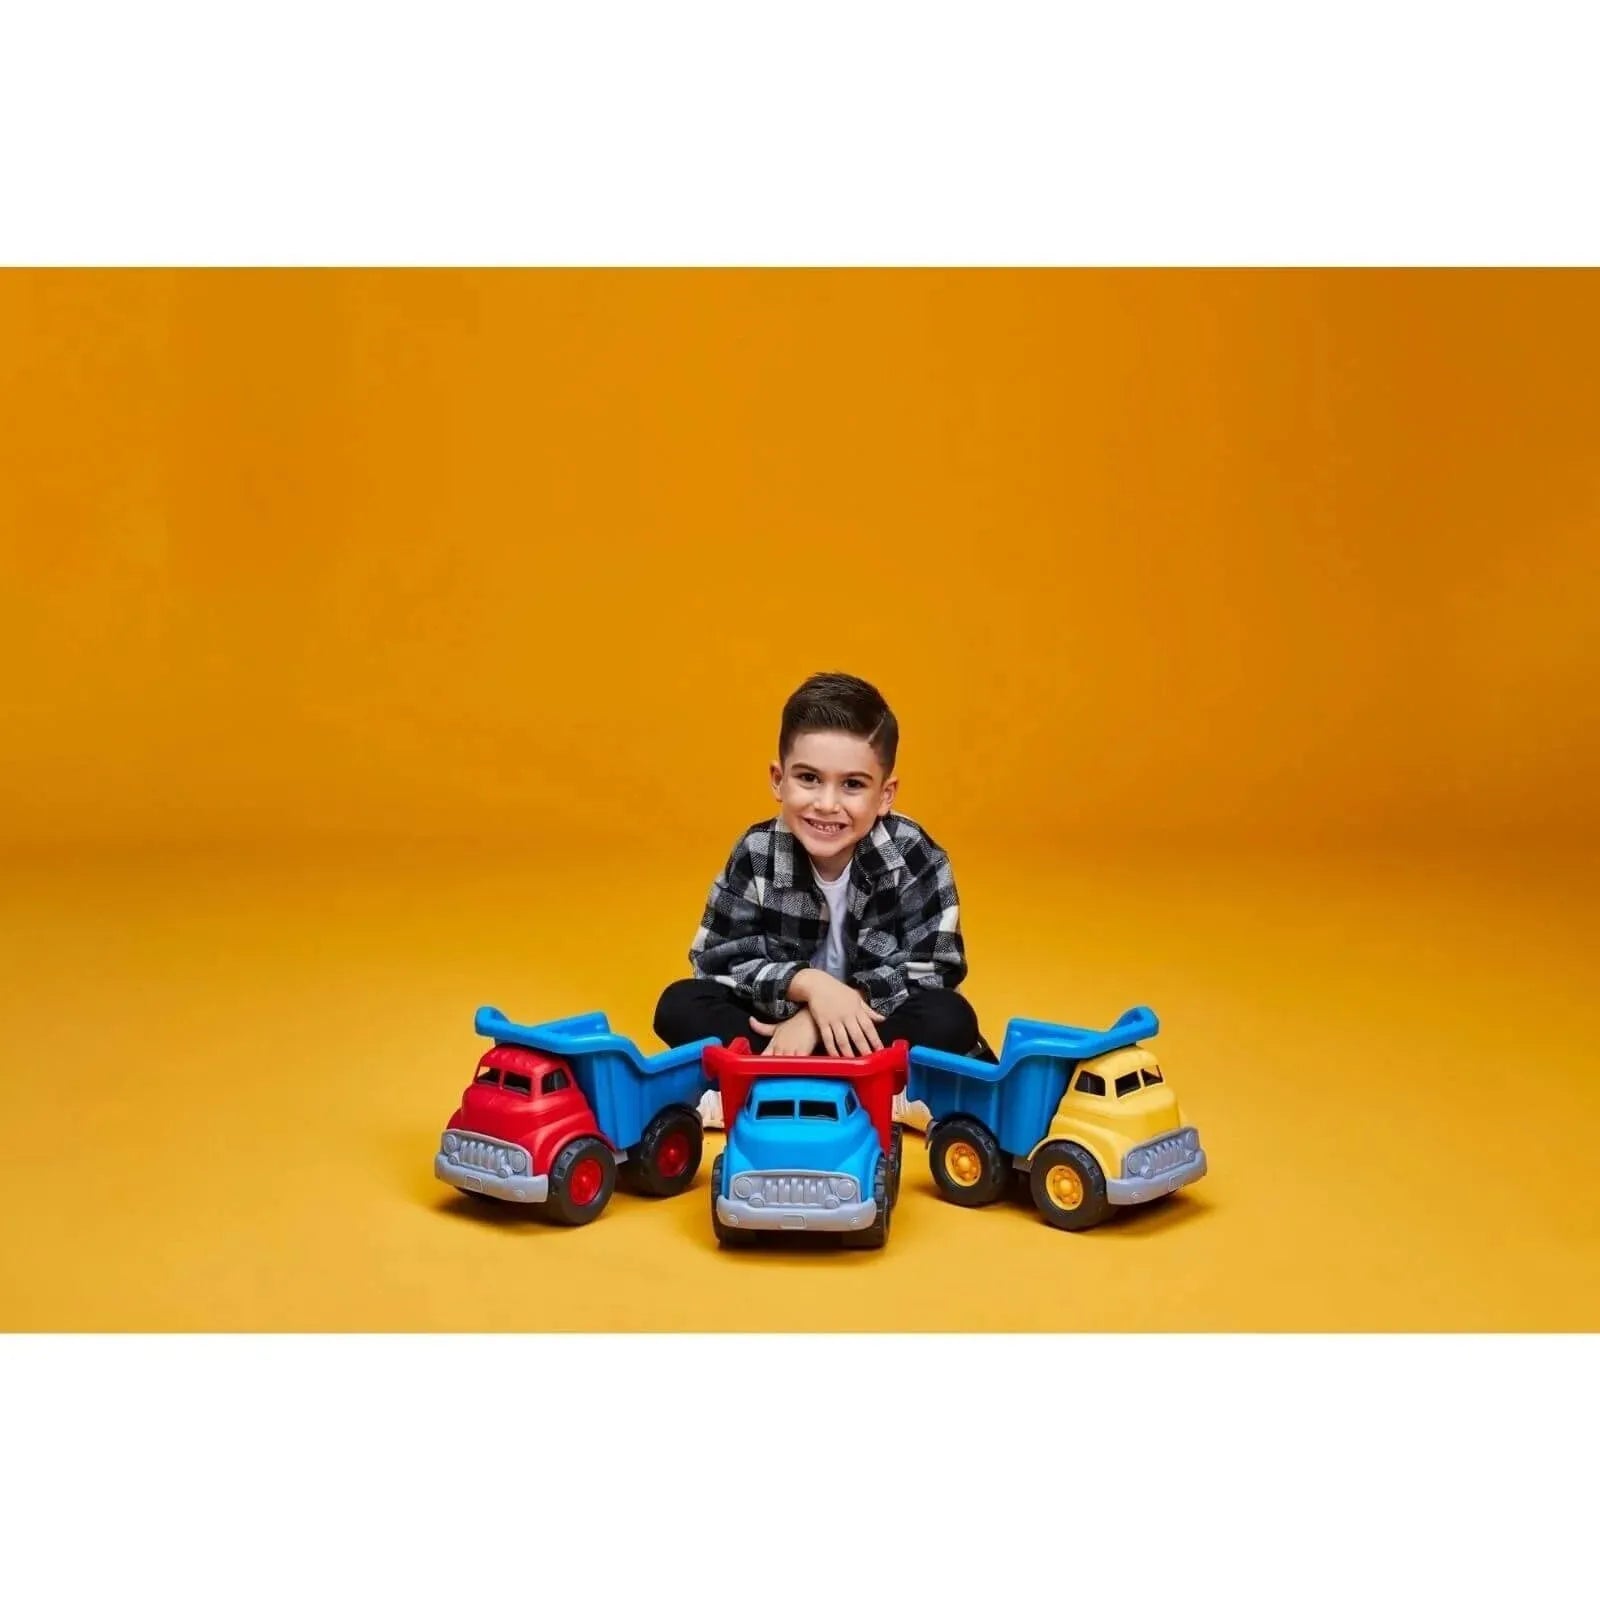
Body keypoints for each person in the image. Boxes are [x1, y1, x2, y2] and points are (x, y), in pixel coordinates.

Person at [653, 671, 995, 1127]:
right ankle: (848, 1084)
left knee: (949, 1016)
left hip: (870, 1023)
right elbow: (717, 960)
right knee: (678, 1005)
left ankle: (773, 1081)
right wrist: (810, 987)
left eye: (852, 784)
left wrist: (826, 1013)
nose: (827, 804)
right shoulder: (757, 852)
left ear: (885, 795)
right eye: (809, 778)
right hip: (774, 1021)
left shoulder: (915, 854)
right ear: (779, 780)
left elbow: (935, 968)